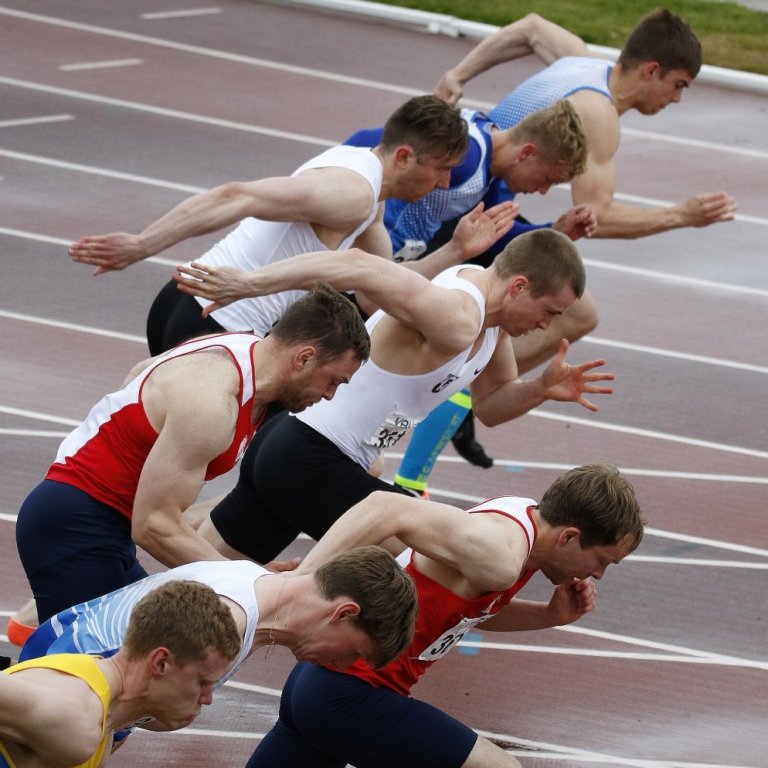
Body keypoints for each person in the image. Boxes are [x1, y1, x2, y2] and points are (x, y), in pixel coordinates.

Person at [396, 8, 740, 494]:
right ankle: (457, 405)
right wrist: (681, 216)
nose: (678, 99)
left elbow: (530, 26)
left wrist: (460, 73)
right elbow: (598, 214)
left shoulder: (579, 58)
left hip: (481, 187)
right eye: (678, 85)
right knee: (559, 313)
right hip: (473, 205)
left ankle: (467, 394)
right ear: (650, 70)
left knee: (571, 311)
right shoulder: (599, 114)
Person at [171, 228, 614, 565]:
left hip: (300, 454)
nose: (545, 326)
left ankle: (126, 608)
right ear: (518, 287)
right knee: (425, 558)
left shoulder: (492, 328)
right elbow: (359, 265)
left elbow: (492, 405)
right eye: (548, 313)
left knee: (205, 579)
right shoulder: (456, 314)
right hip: (311, 457)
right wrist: (248, 283)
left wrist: (540, 389)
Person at [246, 463, 647, 767]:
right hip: (351, 695)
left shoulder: (523, 523)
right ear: (570, 537)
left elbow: (467, 612)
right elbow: (385, 507)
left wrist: (548, 615)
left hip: (315, 688)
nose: (597, 575)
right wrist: (298, 583)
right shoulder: (501, 555)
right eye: (601, 561)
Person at [14, 285, 370, 626]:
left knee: (136, 661)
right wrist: (249, 583)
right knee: (105, 672)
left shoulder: (243, 351)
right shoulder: (211, 402)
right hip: (75, 522)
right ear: (304, 358)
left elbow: (140, 373)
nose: (330, 396)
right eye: (333, 381)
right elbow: (154, 525)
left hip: (104, 525)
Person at [68, 95, 475, 355]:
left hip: (186, 304)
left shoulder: (364, 189)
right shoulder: (352, 192)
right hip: (217, 323)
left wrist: (455, 250)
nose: (444, 184)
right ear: (404, 157)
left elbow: (379, 291)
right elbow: (236, 195)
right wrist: (140, 246)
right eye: (441, 170)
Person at [20, 546, 417, 675]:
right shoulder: (229, 620)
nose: (345, 665)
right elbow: (128, 698)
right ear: (343, 613)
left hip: (60, 656)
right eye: (355, 652)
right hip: (63, 678)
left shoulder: (251, 584)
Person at [1, 580, 242, 768]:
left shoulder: (102, 714)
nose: (207, 698)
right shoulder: (75, 716)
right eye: (202, 682)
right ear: (160, 663)